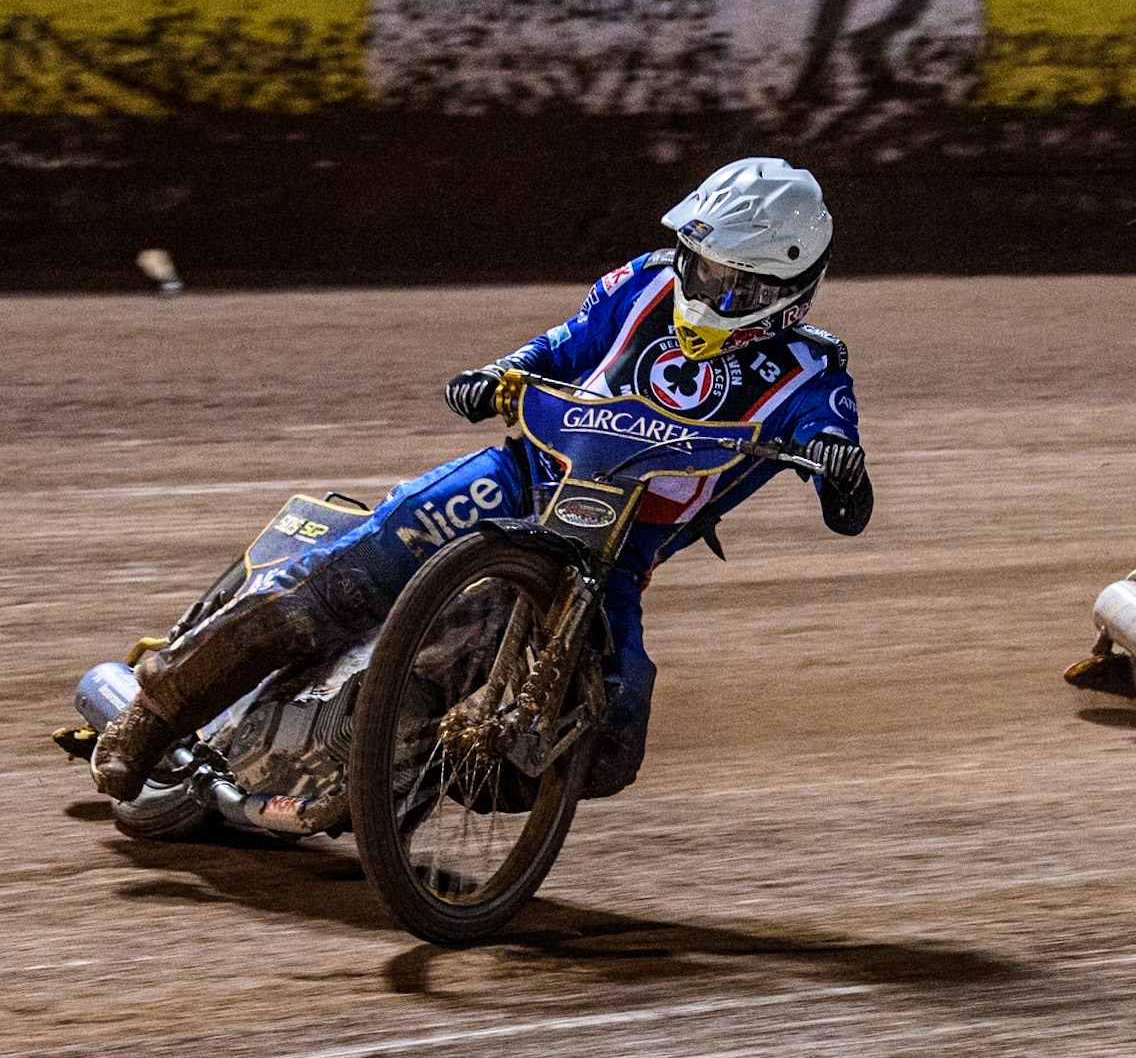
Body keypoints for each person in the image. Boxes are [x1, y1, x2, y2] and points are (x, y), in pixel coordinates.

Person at [91, 157, 872, 802]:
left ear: (785, 292)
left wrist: (840, 471)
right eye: (700, 266)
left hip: (619, 547)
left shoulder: (811, 372)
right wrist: (501, 373)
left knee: (611, 741)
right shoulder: (641, 284)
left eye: (731, 282)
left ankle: (420, 774)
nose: (704, 289)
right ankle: (152, 714)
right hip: (515, 475)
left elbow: (838, 464)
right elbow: (559, 347)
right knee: (342, 582)